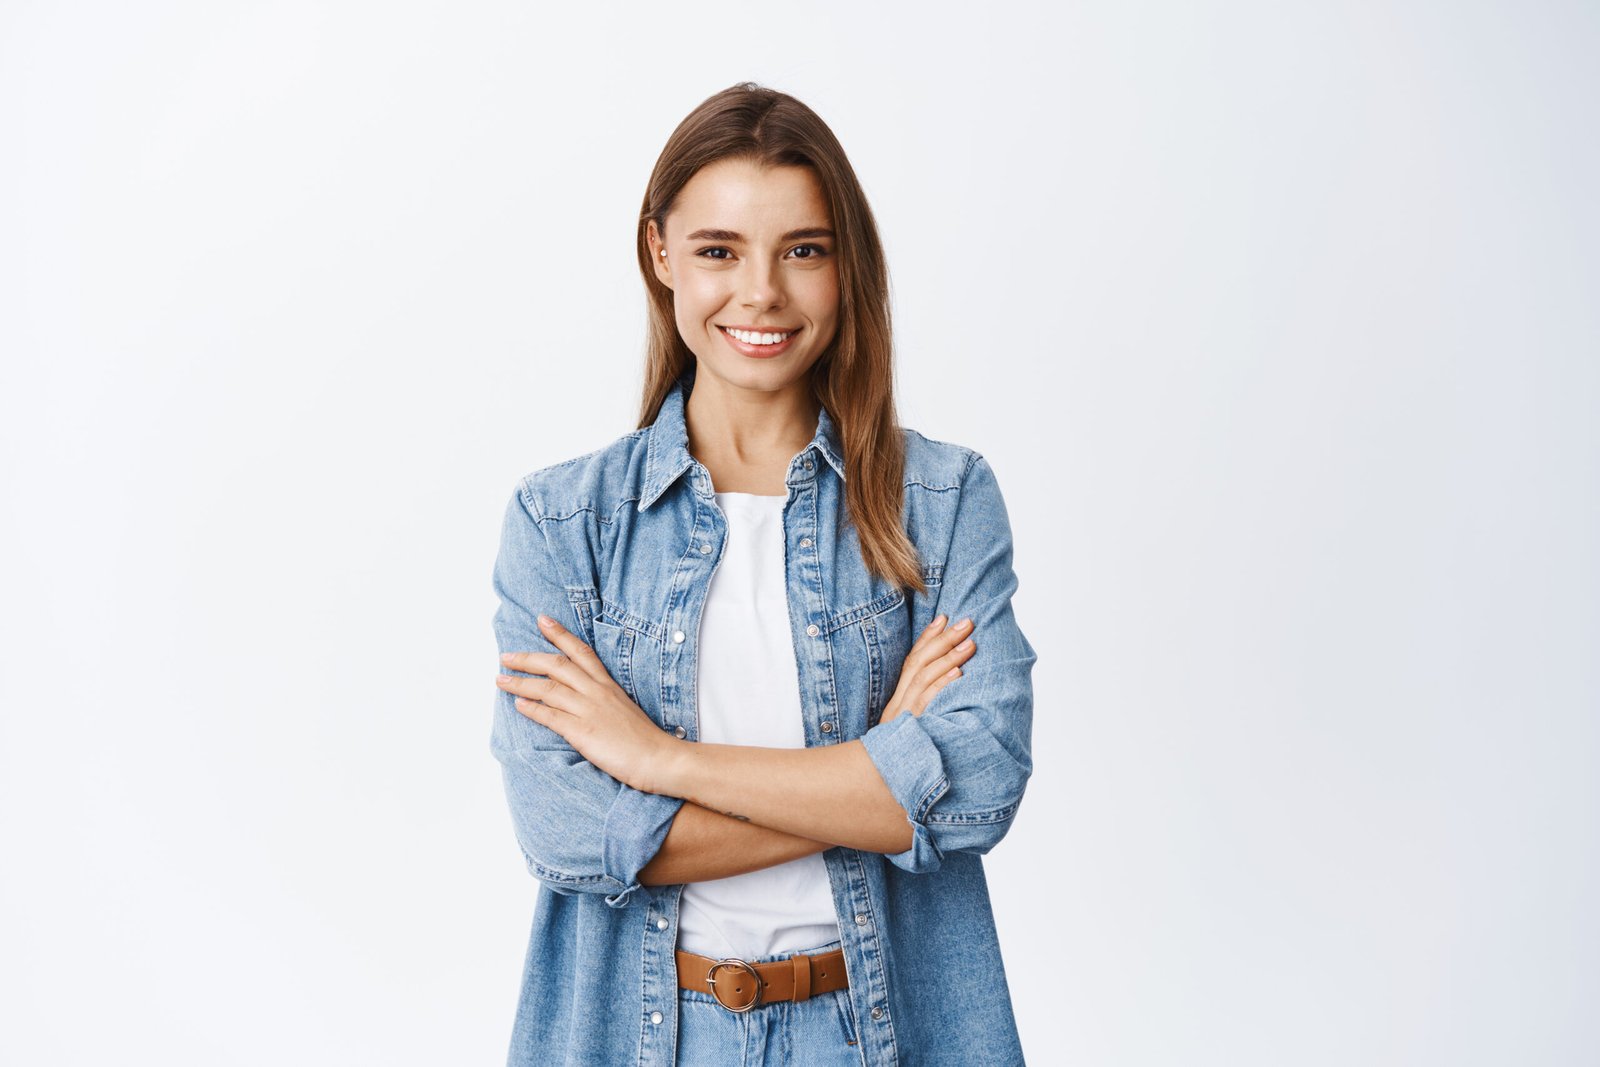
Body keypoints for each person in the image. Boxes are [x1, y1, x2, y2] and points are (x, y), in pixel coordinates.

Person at [489, 81, 1036, 1067]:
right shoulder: (563, 523)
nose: (761, 294)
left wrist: (660, 763)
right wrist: (876, 772)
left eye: (803, 250)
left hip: (877, 1032)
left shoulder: (944, 503)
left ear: (845, 263)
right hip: (653, 1032)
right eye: (718, 251)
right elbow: (565, 832)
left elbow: (978, 788)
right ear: (659, 252)